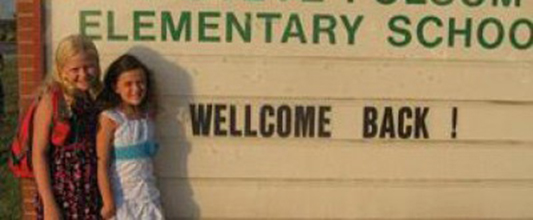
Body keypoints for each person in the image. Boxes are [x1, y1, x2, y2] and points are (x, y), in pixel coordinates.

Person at [32, 34, 103, 220]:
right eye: (75, 69)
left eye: (89, 66)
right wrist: (48, 203)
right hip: (62, 192)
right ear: (61, 70)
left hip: (91, 190)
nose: (83, 74)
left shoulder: (95, 96)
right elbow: (39, 153)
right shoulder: (52, 100)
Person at [96, 54, 164, 219]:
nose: (136, 89)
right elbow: (102, 163)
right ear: (115, 87)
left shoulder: (148, 117)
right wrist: (108, 202)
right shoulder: (111, 119)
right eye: (128, 84)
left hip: (148, 197)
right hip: (123, 200)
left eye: (140, 83)